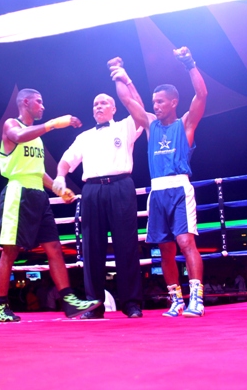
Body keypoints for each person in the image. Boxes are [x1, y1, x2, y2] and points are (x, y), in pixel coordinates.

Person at [111, 46, 208, 317]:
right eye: (154, 103)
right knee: (165, 248)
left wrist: (190, 63)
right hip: (157, 192)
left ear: (173, 102)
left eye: (161, 102)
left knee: (185, 242)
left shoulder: (185, 125)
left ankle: (197, 299)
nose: (155, 106)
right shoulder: (150, 125)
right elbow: (128, 101)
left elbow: (202, 95)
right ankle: (176, 300)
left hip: (179, 189)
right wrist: (118, 74)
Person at [0, 88, 102, 322]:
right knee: (10, 251)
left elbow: (38, 171)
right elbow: (18, 136)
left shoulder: (37, 139)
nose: (43, 106)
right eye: (39, 102)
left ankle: (69, 301)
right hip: (18, 193)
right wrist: (53, 124)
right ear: (25, 102)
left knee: (54, 246)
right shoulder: (11, 124)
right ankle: (2, 307)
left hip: (39, 196)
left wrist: (57, 188)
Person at [53, 78, 149, 319]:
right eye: (95, 104)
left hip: (121, 187)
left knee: (126, 246)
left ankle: (131, 303)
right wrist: (60, 177)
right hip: (92, 191)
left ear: (114, 108)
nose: (98, 106)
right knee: (92, 248)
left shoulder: (125, 126)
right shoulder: (84, 137)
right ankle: (94, 305)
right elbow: (66, 160)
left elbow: (139, 108)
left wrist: (125, 80)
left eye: (104, 103)